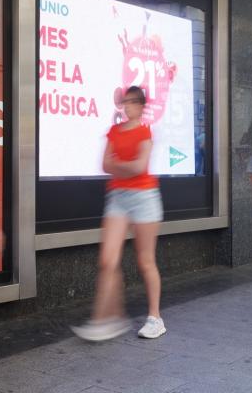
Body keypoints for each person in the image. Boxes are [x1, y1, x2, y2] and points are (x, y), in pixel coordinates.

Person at [72, 86, 166, 341]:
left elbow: (139, 167)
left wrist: (119, 166)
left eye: (133, 102)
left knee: (145, 261)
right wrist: (124, 168)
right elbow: (105, 165)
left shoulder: (145, 131)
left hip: (144, 198)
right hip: (118, 198)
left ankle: (155, 318)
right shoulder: (114, 131)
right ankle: (106, 319)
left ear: (142, 105)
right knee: (107, 261)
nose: (127, 106)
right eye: (125, 101)